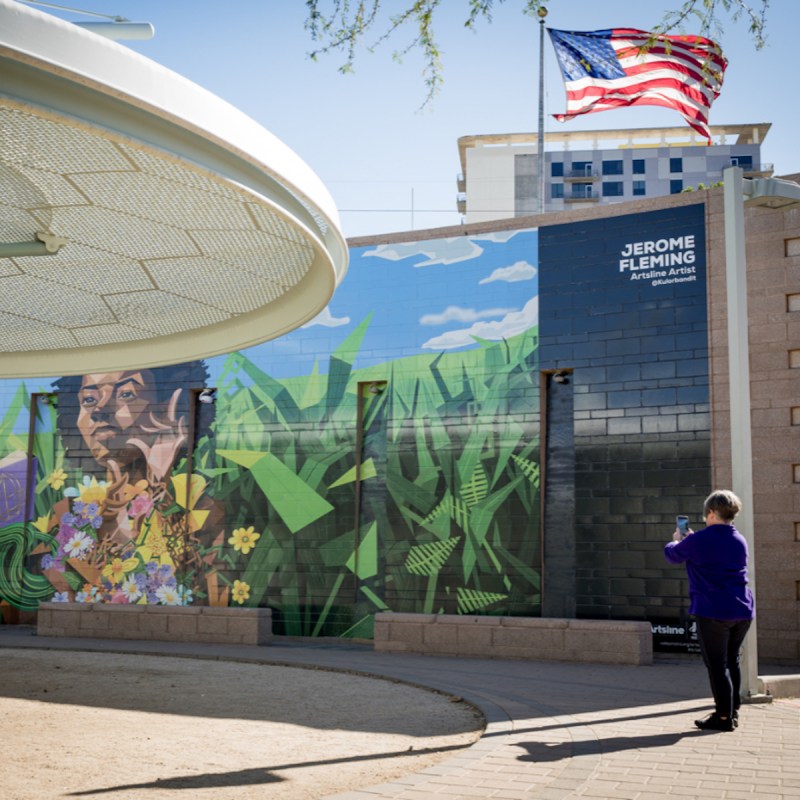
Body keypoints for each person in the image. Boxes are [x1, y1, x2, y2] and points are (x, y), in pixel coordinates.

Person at [664, 489, 755, 732]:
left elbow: (672, 555)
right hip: (742, 609)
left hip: (713, 610)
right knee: (732, 660)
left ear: (712, 513)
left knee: (717, 665)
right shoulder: (739, 539)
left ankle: (723, 717)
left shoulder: (699, 540)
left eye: (707, 513)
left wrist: (677, 540)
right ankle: (732, 712)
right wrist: (691, 541)